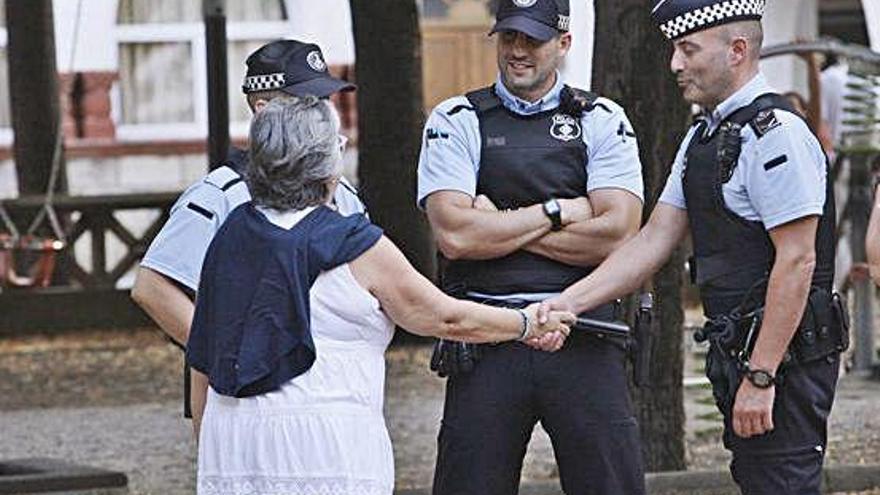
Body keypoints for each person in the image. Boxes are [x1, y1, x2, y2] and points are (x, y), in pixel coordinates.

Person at [187, 96, 576, 495]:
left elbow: (205, 351)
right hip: (322, 445)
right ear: (326, 165)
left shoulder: (232, 235)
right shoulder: (356, 245)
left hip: (232, 434)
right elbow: (444, 318)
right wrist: (526, 323)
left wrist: (211, 448)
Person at [539, 1, 848, 493]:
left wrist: (763, 376)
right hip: (741, 351)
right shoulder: (705, 136)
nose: (675, 64)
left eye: (688, 49)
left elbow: (798, 260)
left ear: (738, 51)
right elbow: (654, 239)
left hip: (782, 361)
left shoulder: (776, 136)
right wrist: (567, 303)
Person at [416, 0, 646, 493]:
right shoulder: (457, 118)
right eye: (509, 38)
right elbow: (455, 236)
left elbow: (620, 233)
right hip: (486, 339)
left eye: (533, 40)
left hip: (585, 334)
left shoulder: (602, 118)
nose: (518, 51)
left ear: (563, 44)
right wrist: (560, 210)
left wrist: (495, 224)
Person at [130, 39, 363, 425]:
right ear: (265, 109)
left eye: (327, 101)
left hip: (328, 395)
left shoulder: (344, 193)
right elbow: (153, 289)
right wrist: (234, 355)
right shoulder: (221, 194)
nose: (326, 113)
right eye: (311, 102)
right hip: (241, 398)